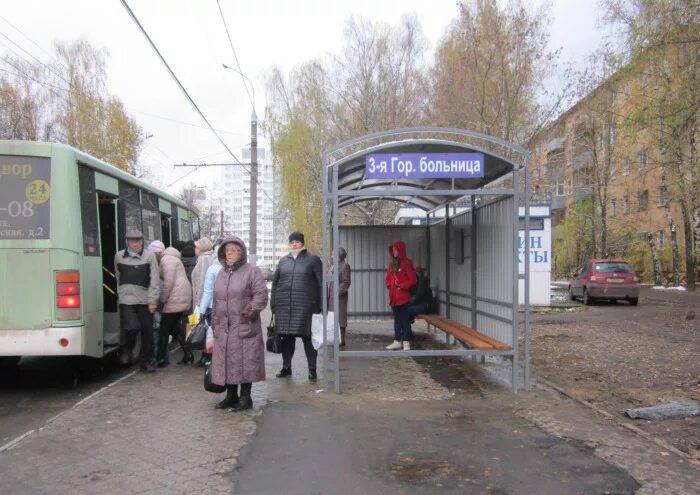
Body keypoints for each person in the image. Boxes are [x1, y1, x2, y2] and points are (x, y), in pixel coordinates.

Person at [210, 236, 268, 411]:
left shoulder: (252, 271)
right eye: (227, 250)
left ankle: (245, 398)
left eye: (234, 250)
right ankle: (231, 395)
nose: (230, 253)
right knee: (228, 362)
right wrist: (214, 321)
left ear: (241, 253)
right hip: (224, 327)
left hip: (244, 324)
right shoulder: (221, 273)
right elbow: (216, 299)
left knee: (245, 361)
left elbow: (261, 295)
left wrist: (249, 311)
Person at [271, 231, 323, 380]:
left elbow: (320, 284)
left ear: (302, 243)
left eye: (297, 242)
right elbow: (275, 284)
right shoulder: (283, 261)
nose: (294, 244)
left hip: (307, 308)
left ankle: (312, 370)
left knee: (309, 339)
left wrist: (321, 306)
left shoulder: (313, 260)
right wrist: (273, 304)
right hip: (285, 308)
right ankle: (286, 367)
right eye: (292, 242)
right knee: (287, 339)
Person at [114, 229, 161, 372]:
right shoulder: (119, 256)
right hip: (126, 299)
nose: (135, 244)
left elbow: (155, 279)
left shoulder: (149, 256)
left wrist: (153, 300)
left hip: (145, 300)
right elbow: (118, 276)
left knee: (147, 332)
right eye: (132, 241)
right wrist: (120, 294)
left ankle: (146, 361)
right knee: (132, 327)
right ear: (127, 242)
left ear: (142, 242)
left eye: (138, 241)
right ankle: (127, 348)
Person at [157, 244, 193, 366]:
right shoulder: (173, 258)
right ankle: (188, 353)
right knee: (175, 328)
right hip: (180, 295)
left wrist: (162, 300)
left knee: (164, 328)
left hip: (176, 297)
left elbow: (168, 283)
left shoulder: (167, 260)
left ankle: (160, 359)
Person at [385, 240, 417, 351]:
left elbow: (412, 279)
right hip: (394, 297)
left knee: (405, 320)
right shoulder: (391, 264)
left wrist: (402, 286)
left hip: (403, 298)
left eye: (396, 250)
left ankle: (406, 342)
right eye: (393, 250)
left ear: (401, 250)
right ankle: (397, 341)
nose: (394, 252)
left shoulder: (407, 263)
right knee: (397, 320)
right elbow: (388, 279)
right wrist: (389, 286)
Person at [195, 243, 223, 368]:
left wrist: (201, 311)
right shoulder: (229, 268)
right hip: (227, 308)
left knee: (210, 335)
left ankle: (209, 359)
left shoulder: (212, 269)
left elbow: (208, 292)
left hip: (212, 308)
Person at [327, 247, 351, 347]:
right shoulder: (334, 266)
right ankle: (335, 338)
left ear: (339, 256)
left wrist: (338, 292)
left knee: (341, 318)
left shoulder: (345, 266)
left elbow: (346, 282)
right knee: (333, 317)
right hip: (332, 295)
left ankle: (342, 340)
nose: (331, 256)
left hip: (339, 296)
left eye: (333, 254)